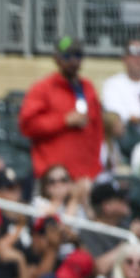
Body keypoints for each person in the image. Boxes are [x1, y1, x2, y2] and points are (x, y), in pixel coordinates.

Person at [19, 36, 104, 182]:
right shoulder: (43, 88)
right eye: (67, 56)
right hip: (54, 180)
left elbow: (97, 130)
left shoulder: (88, 88)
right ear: (56, 58)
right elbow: (28, 126)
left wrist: (95, 168)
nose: (73, 61)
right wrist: (63, 120)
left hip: (85, 176)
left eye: (78, 55)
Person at [101, 39, 140, 127]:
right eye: (133, 53)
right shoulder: (112, 84)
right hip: (128, 133)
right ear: (124, 59)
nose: (138, 59)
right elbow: (118, 118)